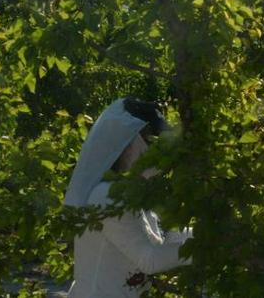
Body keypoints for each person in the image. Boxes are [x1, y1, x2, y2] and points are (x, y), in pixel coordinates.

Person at [64, 97, 193, 297]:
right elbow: (149, 259)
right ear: (128, 143)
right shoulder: (107, 196)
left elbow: (167, 239)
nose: (155, 152)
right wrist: (202, 247)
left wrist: (214, 234)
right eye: (150, 141)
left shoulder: (135, 195)